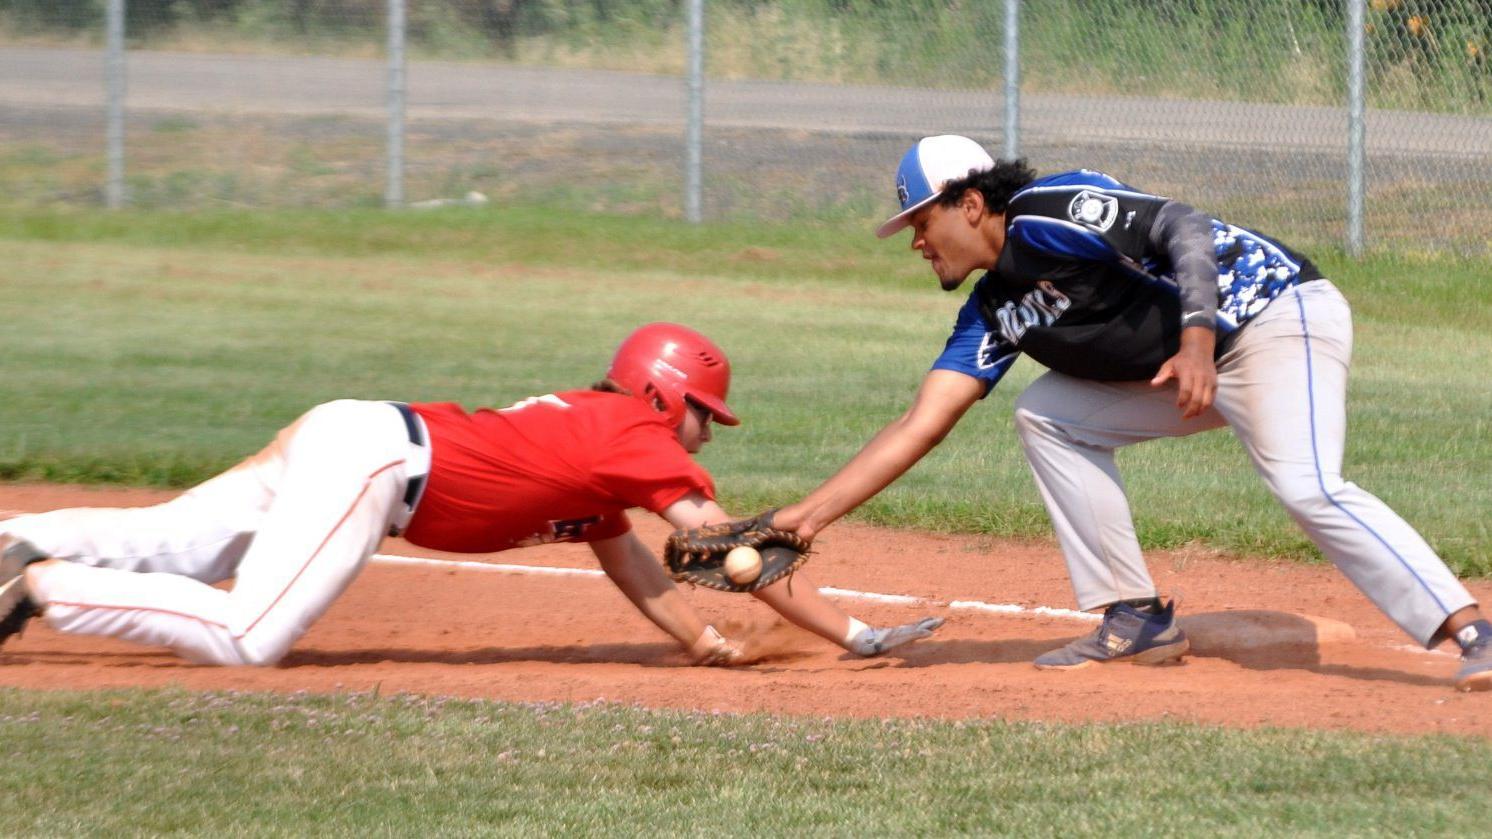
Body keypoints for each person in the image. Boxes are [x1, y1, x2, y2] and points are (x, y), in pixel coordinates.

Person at [766, 134, 1492, 690]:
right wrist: (802, 519)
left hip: (1274, 319)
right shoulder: (992, 311)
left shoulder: (1048, 212)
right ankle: (1135, 616)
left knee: (1308, 486)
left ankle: (1472, 631)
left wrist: (1197, 338)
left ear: (972, 204)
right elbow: (920, 422)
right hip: (1189, 369)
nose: (917, 242)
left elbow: (1183, 227)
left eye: (921, 221)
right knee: (1048, 414)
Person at [0, 323, 941, 667]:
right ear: (663, 393)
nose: (708, 430)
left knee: (180, 539)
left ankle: (21, 537)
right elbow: (731, 548)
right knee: (249, 635)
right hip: (377, 466)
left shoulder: (598, 441)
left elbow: (629, 560)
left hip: (359, 433)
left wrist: (699, 641)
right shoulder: (634, 436)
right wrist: (852, 633)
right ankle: (40, 585)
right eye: (704, 411)